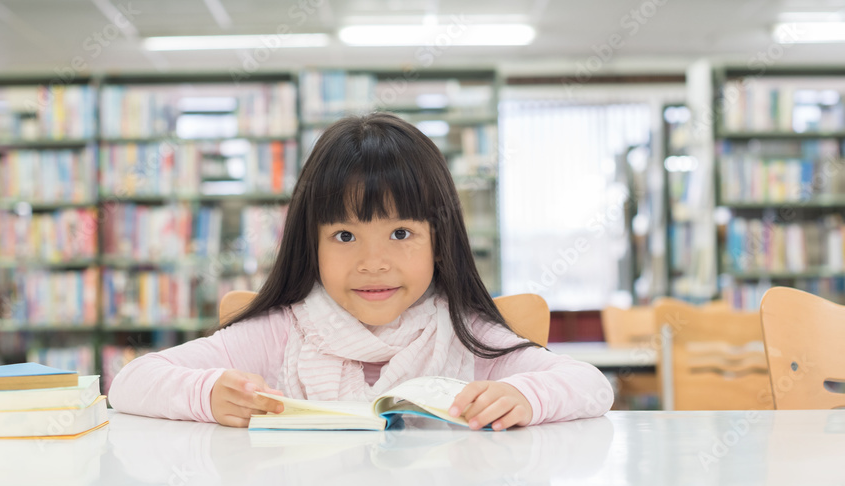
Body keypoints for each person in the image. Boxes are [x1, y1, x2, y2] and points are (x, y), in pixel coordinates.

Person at [109, 113, 614, 429]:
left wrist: (523, 395)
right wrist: (207, 393)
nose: (373, 263)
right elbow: (132, 381)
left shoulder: (464, 333)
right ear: (312, 244)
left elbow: (591, 385)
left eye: (401, 234)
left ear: (441, 242)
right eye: (345, 236)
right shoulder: (281, 331)